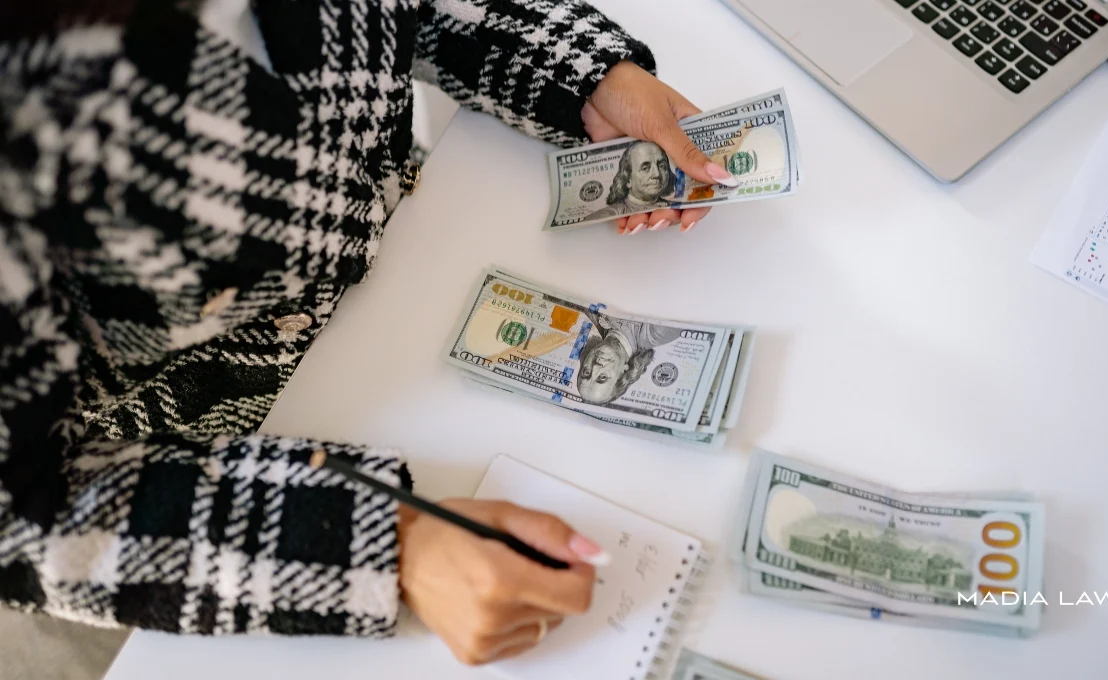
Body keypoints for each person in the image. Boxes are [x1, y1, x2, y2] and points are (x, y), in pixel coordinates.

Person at [0, 0, 737, 668]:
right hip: (213, 443)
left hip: (418, 247)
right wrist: (382, 546)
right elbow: (19, 516)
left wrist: (584, 75)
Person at [576, 313, 682, 405]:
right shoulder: (656, 333)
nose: (595, 367)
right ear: (624, 372)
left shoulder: (592, 314)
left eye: (586, 372)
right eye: (603, 377)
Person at [583, 141, 675, 221]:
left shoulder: (677, 207)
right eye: (645, 168)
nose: (657, 174)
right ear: (628, 180)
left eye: (662, 166)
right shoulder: (608, 215)